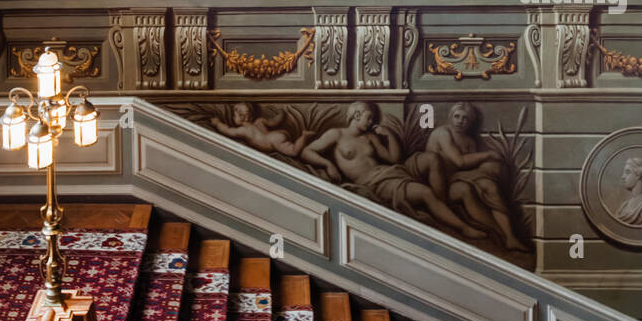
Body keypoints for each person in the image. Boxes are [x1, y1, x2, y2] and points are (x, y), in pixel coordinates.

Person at [301, 101, 485, 239]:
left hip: (390, 173)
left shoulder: (370, 137)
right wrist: (329, 165)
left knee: (432, 162)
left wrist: (388, 135)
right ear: (356, 115)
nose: (371, 121)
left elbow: (393, 158)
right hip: (372, 183)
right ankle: (462, 227)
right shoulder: (336, 134)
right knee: (425, 192)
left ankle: (442, 207)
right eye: (368, 117)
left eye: (372, 118)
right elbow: (307, 151)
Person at [427, 102, 529, 251]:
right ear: (451, 117)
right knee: (465, 189)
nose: (460, 121)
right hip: (441, 185)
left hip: (457, 178)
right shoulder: (442, 133)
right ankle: (499, 233)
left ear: (471, 122)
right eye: (457, 116)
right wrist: (488, 154)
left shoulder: (469, 141)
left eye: (465, 119)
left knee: (490, 186)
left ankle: (510, 237)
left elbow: (471, 167)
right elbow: (460, 161)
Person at [210, 102, 313, 157]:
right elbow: (275, 121)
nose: (232, 118)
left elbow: (227, 130)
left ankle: (304, 136)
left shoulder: (244, 130)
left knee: (294, 151)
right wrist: (281, 114)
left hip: (273, 141)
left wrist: (217, 123)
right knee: (292, 147)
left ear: (240, 117)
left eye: (233, 116)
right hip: (276, 134)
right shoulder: (260, 121)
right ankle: (303, 137)